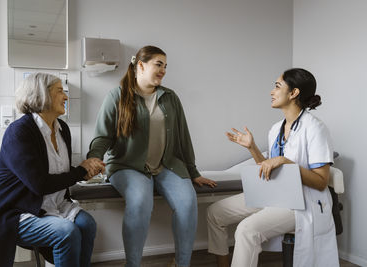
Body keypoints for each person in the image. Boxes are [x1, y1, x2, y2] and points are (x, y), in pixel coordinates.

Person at [87, 45, 216, 267]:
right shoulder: (116, 96)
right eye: (159, 64)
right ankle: (133, 264)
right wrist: (93, 160)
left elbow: (183, 137)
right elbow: (103, 137)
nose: (163, 70)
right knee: (140, 201)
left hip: (166, 165)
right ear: (140, 65)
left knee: (187, 203)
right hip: (127, 166)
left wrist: (193, 172)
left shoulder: (170, 98)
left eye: (165, 66)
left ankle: (181, 264)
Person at [207, 68, 339, 267]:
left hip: (303, 203)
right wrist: (252, 147)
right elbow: (268, 168)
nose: (271, 91)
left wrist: (286, 162)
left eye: (277, 86)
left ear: (293, 93)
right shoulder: (276, 129)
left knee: (246, 229)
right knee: (215, 213)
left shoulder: (315, 129)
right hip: (275, 193)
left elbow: (321, 182)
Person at [0, 73, 105, 267]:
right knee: (66, 232)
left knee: (87, 225)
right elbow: (39, 183)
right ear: (42, 94)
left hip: (50, 205)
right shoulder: (19, 131)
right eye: (60, 91)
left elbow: (57, 170)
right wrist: (80, 171)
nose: (66, 97)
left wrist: (88, 169)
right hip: (15, 210)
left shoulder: (63, 129)